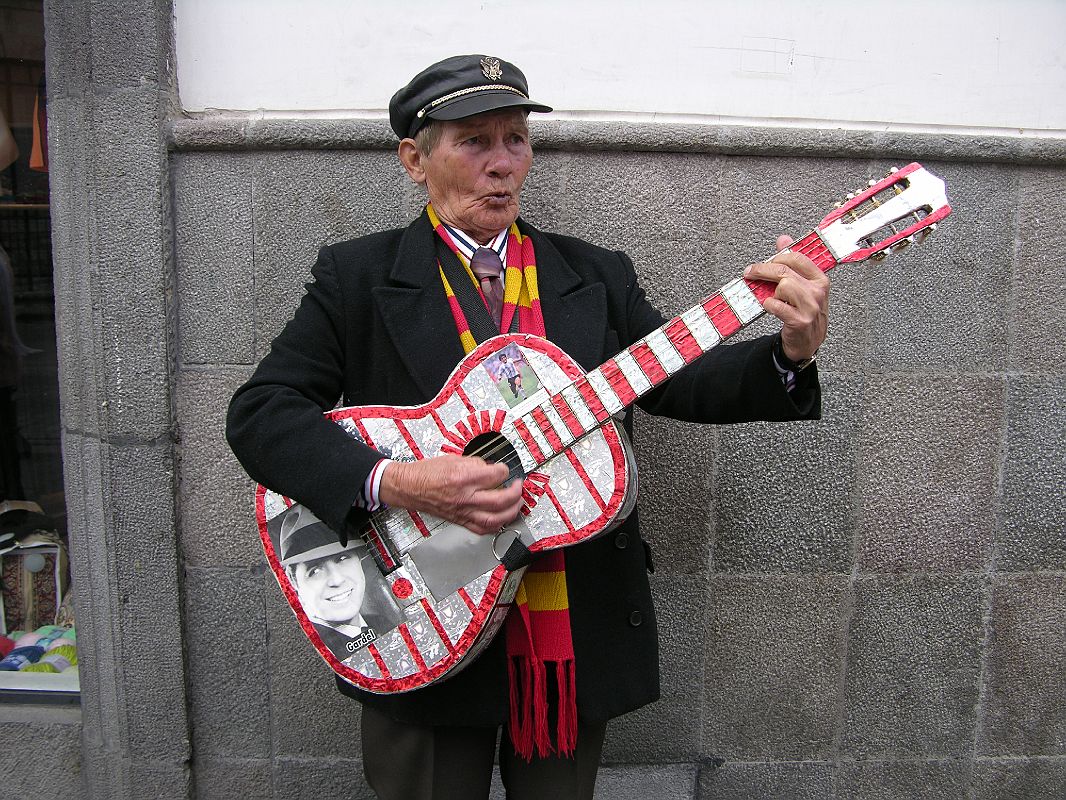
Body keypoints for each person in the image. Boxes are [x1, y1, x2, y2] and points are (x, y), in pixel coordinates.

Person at [227, 54, 829, 800]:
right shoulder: (357, 276)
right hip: (418, 607)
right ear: (414, 160)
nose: (501, 163)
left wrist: (789, 353)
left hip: (565, 630)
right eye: (474, 141)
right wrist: (398, 480)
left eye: (515, 139)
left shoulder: (593, 274)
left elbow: (674, 381)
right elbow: (261, 413)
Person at [277, 504, 396, 658]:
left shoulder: (383, 622)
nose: (337, 579)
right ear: (293, 581)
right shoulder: (329, 651)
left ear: (359, 558)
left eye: (342, 558)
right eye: (315, 571)